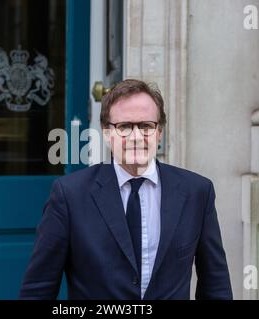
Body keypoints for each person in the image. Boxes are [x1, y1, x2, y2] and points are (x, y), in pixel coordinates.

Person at [19, 79, 233, 300]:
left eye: (146, 126)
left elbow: (215, 285)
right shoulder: (70, 195)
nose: (136, 137)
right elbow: (38, 288)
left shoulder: (197, 192)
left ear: (159, 132)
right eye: (124, 127)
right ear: (106, 133)